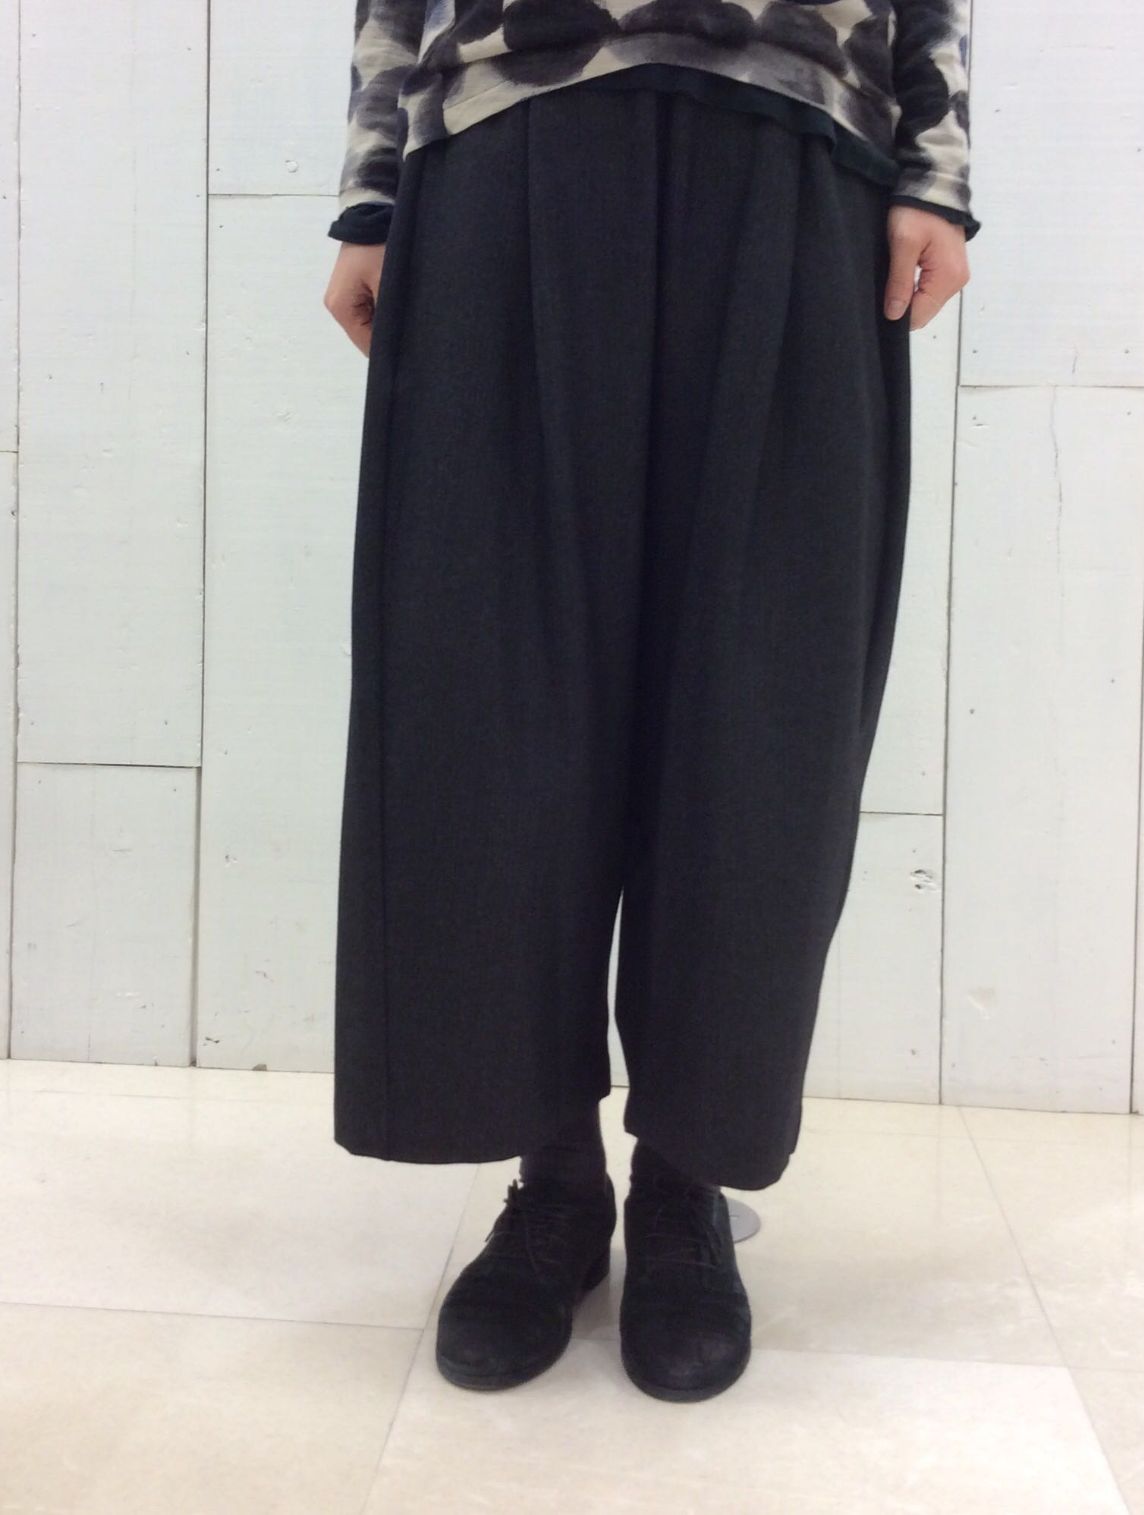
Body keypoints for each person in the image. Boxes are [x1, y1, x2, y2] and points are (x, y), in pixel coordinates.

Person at [322, 0, 977, 1404]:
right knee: (486, 693)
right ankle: (553, 1176)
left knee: (762, 700)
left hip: (801, 137)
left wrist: (935, 166)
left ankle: (685, 1180)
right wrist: (376, 187)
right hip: (506, 129)